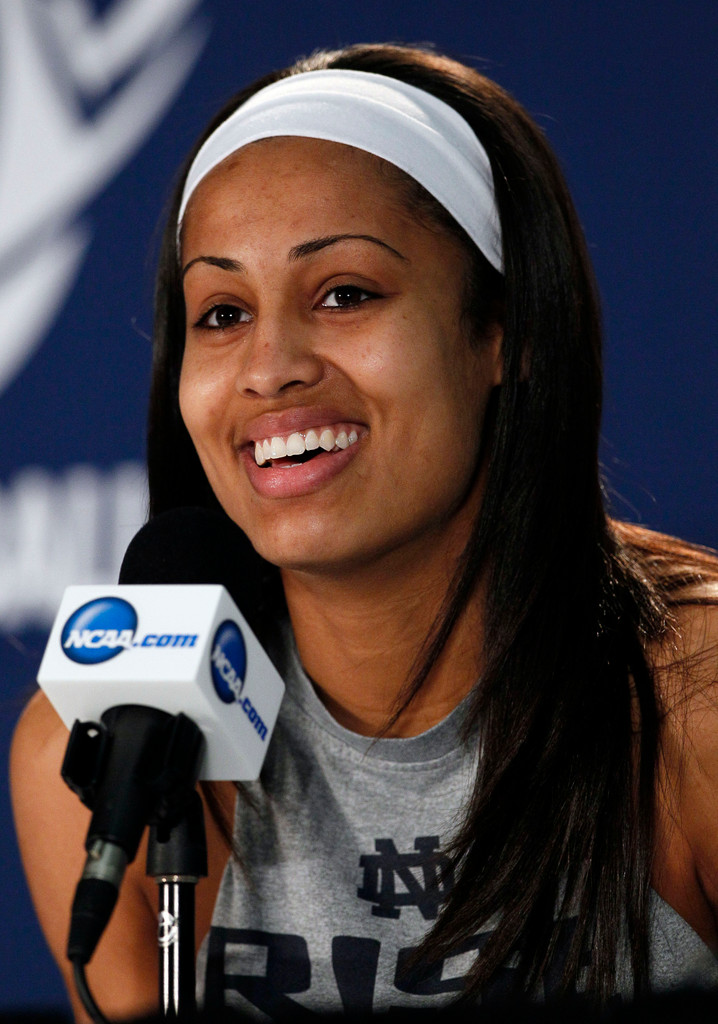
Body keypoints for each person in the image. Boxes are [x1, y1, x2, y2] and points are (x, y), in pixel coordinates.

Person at [10, 42, 718, 1022]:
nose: (269, 367)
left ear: (499, 330)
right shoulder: (103, 759)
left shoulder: (695, 706)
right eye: (220, 311)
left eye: (344, 293)